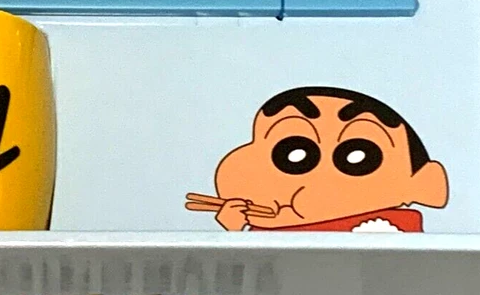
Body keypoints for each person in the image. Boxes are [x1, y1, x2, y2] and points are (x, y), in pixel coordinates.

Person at [187, 86, 448, 232]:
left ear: (424, 182)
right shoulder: (267, 229)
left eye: (358, 158)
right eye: (292, 153)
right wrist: (232, 233)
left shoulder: (388, 229)